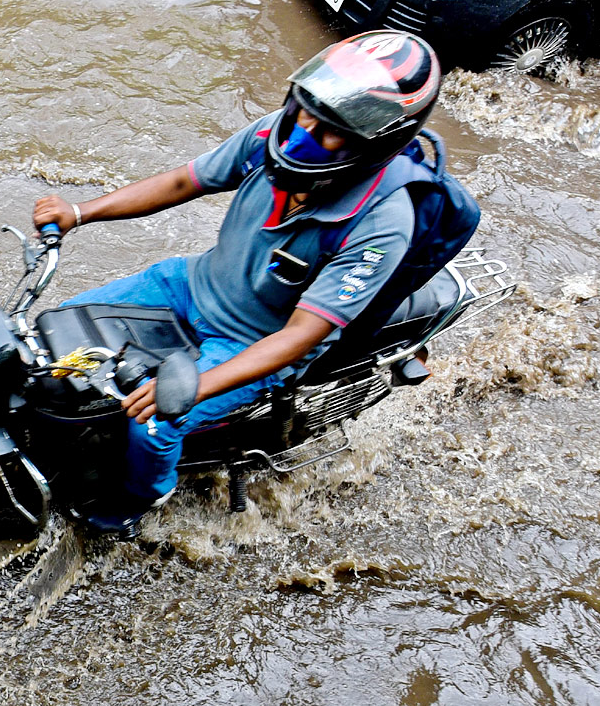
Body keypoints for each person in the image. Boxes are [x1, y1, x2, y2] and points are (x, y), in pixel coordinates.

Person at [33, 30, 442, 534]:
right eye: (305, 109)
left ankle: (142, 498)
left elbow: (298, 337)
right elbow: (187, 181)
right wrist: (80, 211)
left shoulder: (381, 222)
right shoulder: (273, 137)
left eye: (330, 127)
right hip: (185, 285)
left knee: (154, 423)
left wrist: (190, 388)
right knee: (48, 339)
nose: (304, 132)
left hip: (253, 340)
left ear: (377, 141)